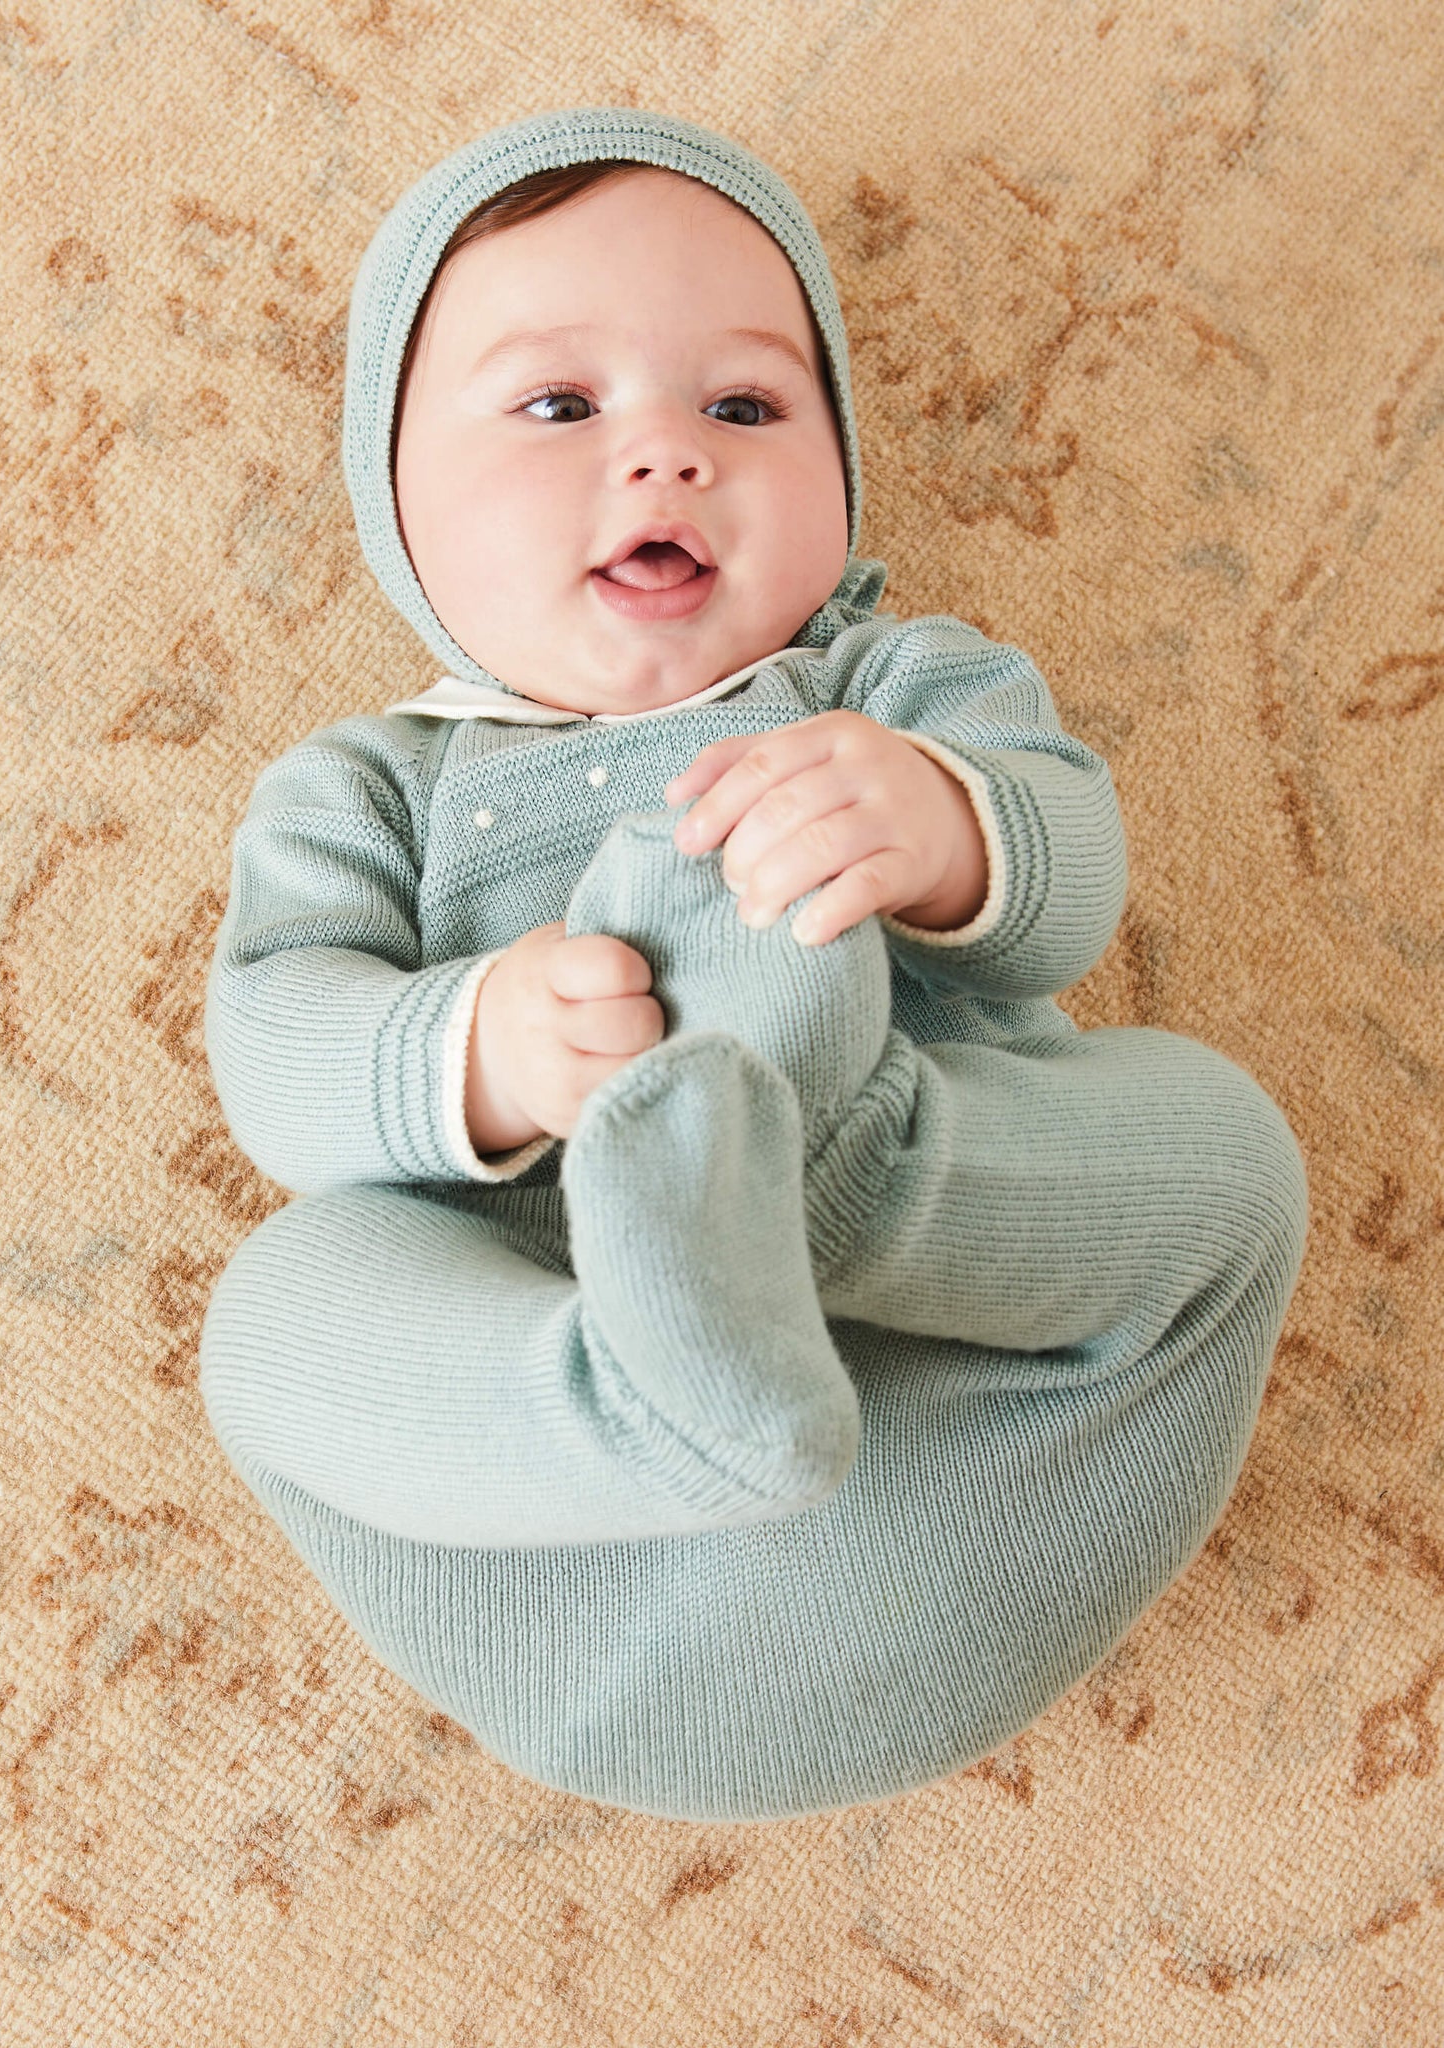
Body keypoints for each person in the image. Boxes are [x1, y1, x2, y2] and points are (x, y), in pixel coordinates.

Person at [198, 105, 1310, 1823]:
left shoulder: (885, 683)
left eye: (743, 406)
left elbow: (1072, 885)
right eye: (558, 406)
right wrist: (478, 1046)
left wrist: (940, 822)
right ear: (394, 503)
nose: (665, 455)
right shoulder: (374, 785)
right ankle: (643, 1394)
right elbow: (275, 1050)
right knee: (276, 1312)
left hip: (970, 1423)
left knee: (1226, 1151)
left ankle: (827, 1178)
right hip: (577, 1542)